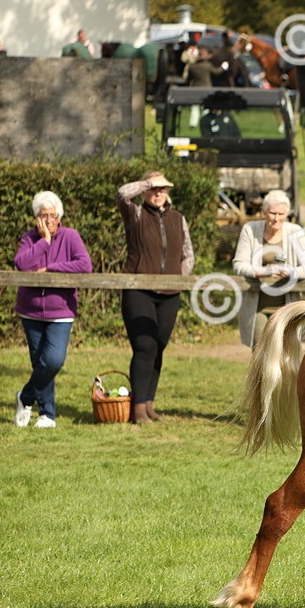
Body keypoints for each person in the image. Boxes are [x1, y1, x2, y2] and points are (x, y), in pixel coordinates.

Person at [116, 171, 195, 424]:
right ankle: (138, 409)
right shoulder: (135, 214)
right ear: (145, 190)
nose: (159, 193)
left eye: (163, 189)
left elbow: (188, 254)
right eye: (154, 189)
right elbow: (121, 194)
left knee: (158, 346)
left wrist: (178, 279)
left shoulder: (178, 218)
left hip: (170, 293)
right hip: (138, 290)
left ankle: (149, 404)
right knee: (145, 346)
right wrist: (146, 184)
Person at [12, 191, 92, 429]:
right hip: (31, 311)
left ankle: (25, 398)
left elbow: (84, 264)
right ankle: (47, 414)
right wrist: (44, 242)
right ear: (36, 218)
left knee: (54, 361)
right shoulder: (29, 238)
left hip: (61, 310)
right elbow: (22, 264)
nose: (48, 220)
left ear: (60, 217)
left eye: (52, 215)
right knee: (40, 364)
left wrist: (51, 269)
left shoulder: (71, 236)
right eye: (43, 215)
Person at [232, 190, 305, 349]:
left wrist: (292, 271)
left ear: (287, 214)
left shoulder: (295, 231)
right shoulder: (250, 229)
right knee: (260, 352)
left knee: (284, 354)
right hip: (257, 304)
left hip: (286, 306)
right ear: (264, 212)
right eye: (272, 213)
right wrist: (260, 271)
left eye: (281, 214)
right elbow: (238, 264)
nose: (276, 218)